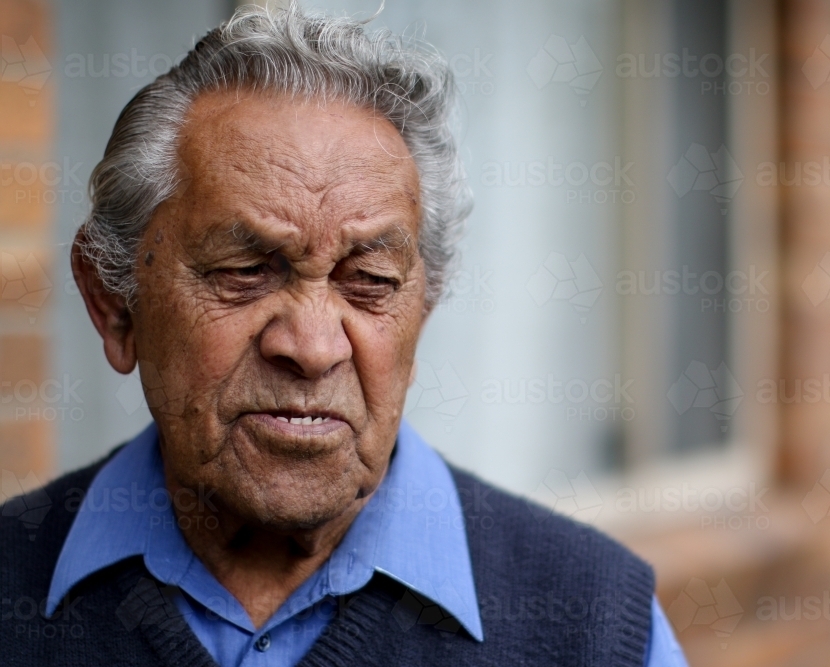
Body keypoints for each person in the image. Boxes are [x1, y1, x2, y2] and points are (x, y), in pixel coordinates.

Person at [1, 4, 687, 665]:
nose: (313, 346)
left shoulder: (594, 625)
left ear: (424, 310)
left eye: (370, 282)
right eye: (244, 271)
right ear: (114, 304)